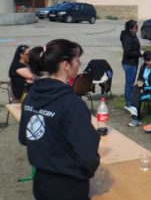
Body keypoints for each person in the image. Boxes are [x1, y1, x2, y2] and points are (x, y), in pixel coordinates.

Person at [18, 39, 100, 200]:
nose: (79, 63)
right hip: (69, 187)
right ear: (66, 65)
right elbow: (88, 156)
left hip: (41, 182)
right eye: (77, 59)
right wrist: (85, 172)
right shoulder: (72, 104)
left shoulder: (31, 97)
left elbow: (24, 138)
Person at [126, 51, 151, 127]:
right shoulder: (143, 66)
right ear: (144, 60)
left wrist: (145, 88)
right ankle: (135, 111)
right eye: (147, 61)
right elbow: (140, 78)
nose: (150, 62)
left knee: (137, 96)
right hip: (144, 87)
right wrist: (140, 82)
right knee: (135, 88)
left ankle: (135, 117)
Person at [120, 19, 143, 107]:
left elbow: (134, 48)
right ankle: (128, 101)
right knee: (129, 83)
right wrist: (140, 53)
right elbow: (127, 52)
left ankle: (129, 98)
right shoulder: (127, 37)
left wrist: (139, 52)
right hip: (129, 63)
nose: (138, 28)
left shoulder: (133, 35)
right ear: (131, 28)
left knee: (131, 82)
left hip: (133, 62)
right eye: (136, 27)